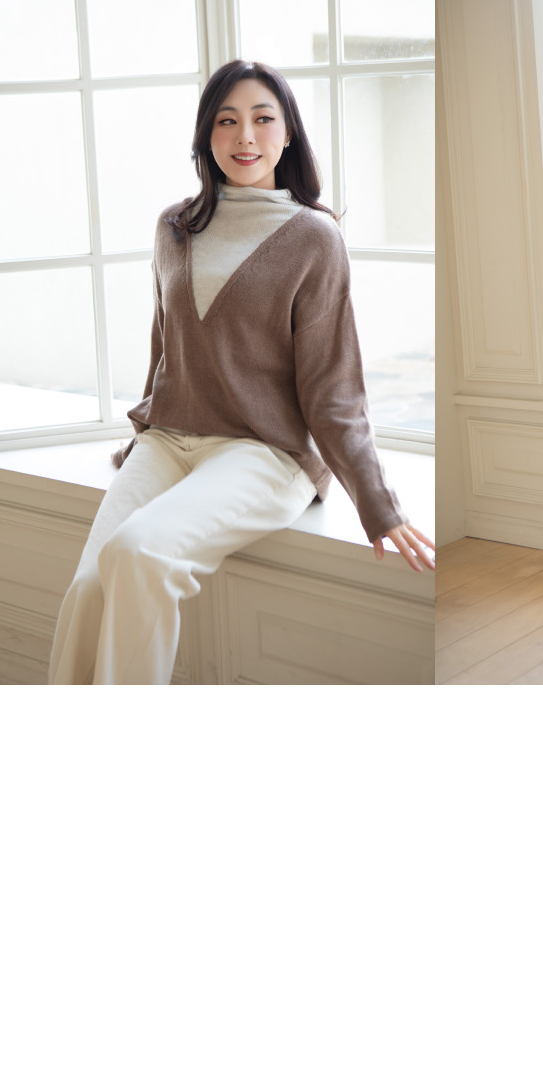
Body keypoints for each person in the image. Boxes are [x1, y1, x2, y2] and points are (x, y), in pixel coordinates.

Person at [48, 51, 433, 684]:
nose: (245, 136)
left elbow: (334, 389)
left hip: (265, 453)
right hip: (170, 439)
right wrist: (142, 432)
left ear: (288, 132)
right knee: (90, 584)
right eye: (226, 120)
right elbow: (166, 345)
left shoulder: (315, 238)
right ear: (207, 136)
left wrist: (379, 503)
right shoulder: (175, 226)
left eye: (262, 118)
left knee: (140, 553)